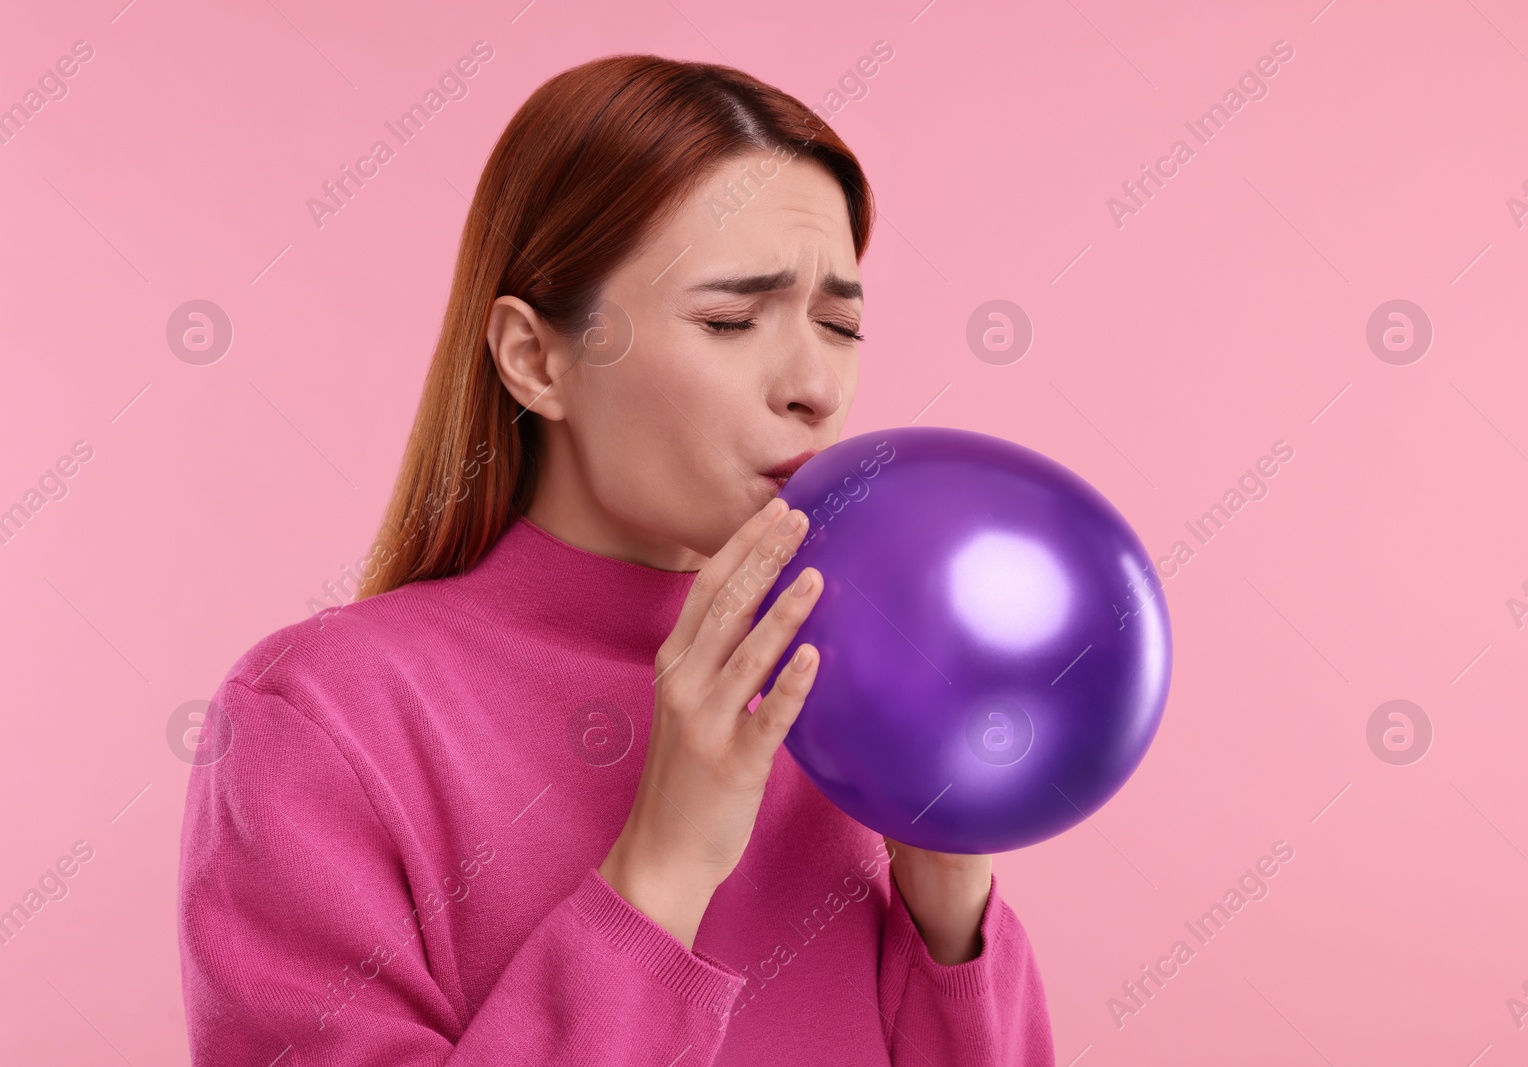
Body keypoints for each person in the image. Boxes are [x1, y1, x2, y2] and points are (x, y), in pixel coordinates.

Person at [176, 53, 1055, 1065]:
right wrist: (663, 868)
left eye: (841, 324)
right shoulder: (321, 717)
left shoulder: (850, 684)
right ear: (536, 358)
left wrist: (947, 907)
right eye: (730, 319)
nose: (816, 384)